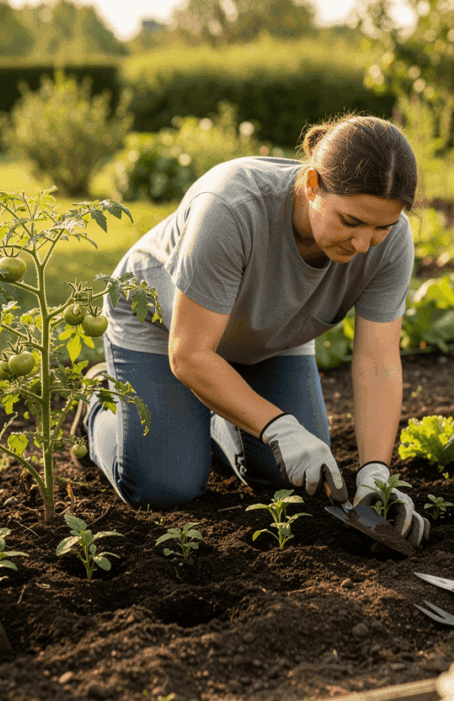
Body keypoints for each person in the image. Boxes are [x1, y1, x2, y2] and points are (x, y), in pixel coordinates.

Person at [73, 114, 419, 522]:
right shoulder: (231, 208)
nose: (363, 244)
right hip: (162, 327)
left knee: (298, 478)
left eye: (382, 227)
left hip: (270, 337)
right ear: (312, 185)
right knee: (165, 486)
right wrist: (278, 428)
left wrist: (376, 473)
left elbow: (378, 361)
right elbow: (189, 354)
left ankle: (212, 416)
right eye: (350, 221)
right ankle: (99, 407)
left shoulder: (392, 243)